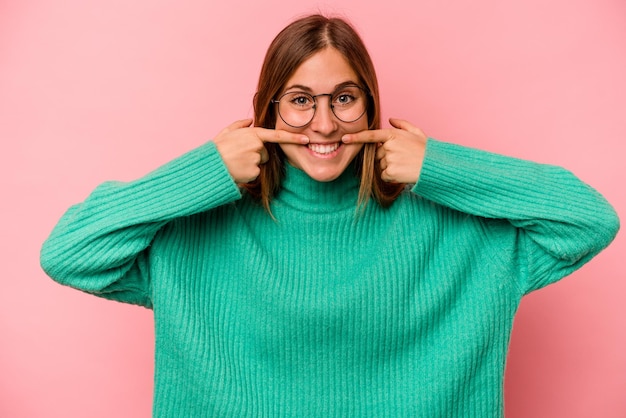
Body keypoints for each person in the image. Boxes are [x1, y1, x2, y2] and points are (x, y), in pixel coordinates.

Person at [40, 14, 619, 418]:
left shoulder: (457, 231)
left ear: (369, 102)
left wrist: (439, 164)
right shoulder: (192, 231)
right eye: (299, 101)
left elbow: (588, 218)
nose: (323, 125)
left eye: (344, 97)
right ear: (267, 109)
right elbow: (67, 253)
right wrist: (205, 170)